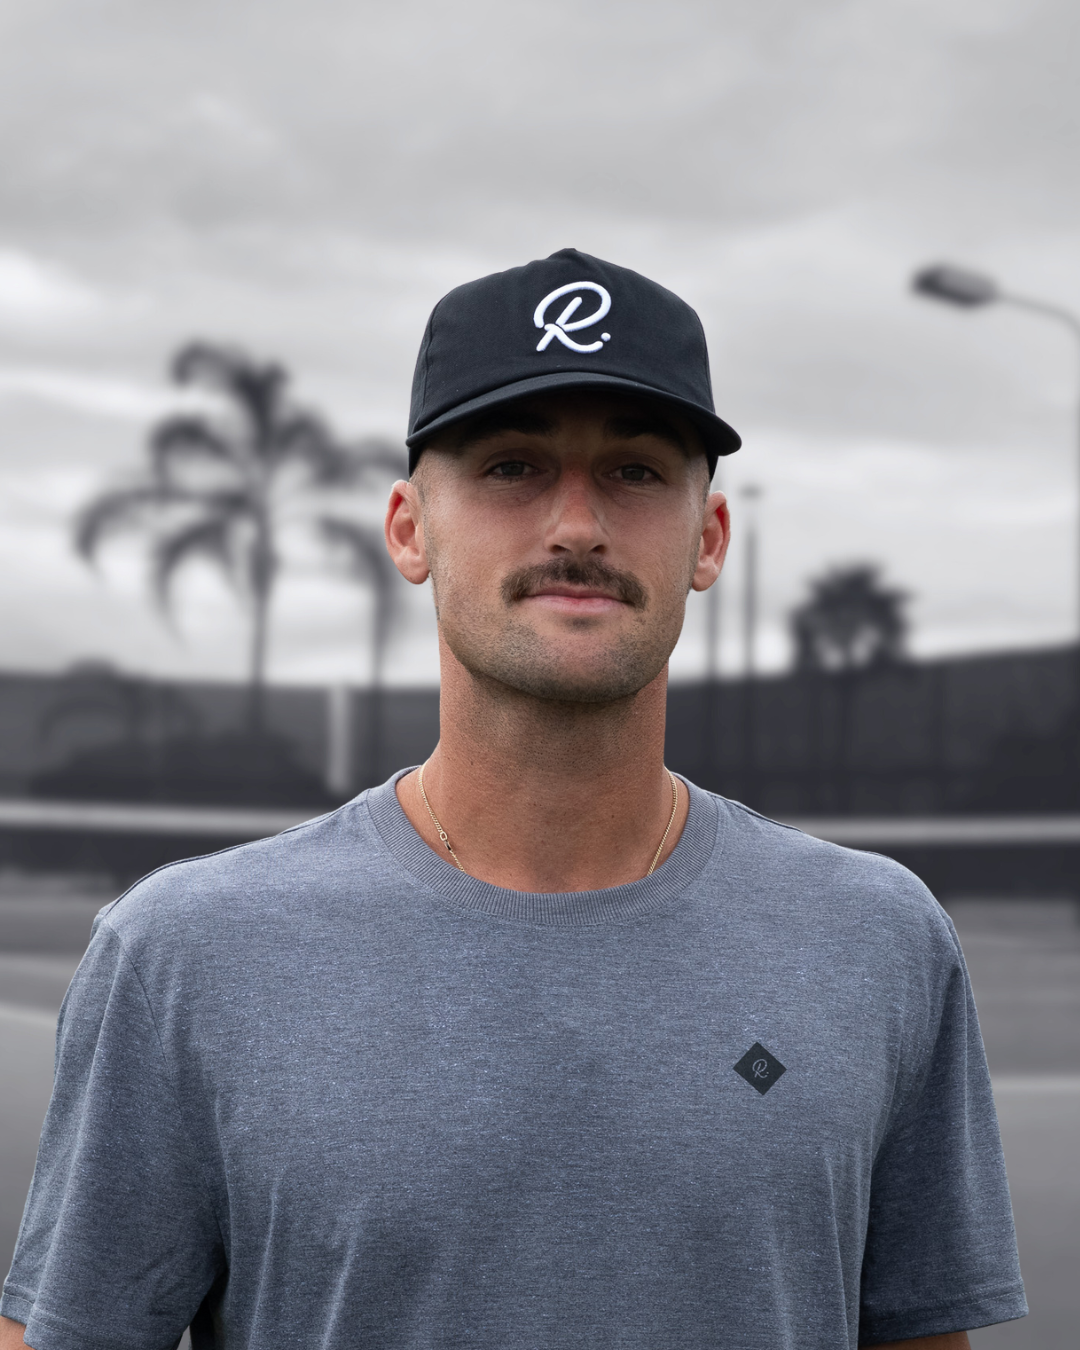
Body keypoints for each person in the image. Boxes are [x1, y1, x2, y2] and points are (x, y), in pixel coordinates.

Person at [1, 248, 1025, 1350]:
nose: (575, 523)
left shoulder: (877, 938)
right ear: (408, 528)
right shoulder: (182, 954)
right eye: (511, 467)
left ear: (709, 539)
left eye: (634, 471)